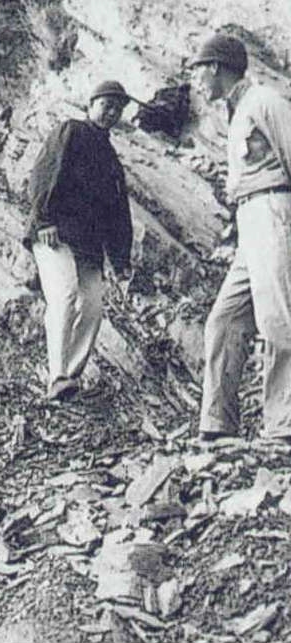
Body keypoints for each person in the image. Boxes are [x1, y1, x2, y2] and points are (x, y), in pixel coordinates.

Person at [189, 34, 291, 441]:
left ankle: (284, 422)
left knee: (279, 317)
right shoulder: (237, 112)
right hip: (251, 220)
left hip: (274, 211)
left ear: (215, 67)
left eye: (198, 71)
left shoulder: (266, 102)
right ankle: (218, 424)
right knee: (224, 320)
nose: (196, 81)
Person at [24, 80, 135, 401]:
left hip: (89, 244)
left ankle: (70, 378)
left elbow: (118, 212)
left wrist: (120, 259)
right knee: (65, 295)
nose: (111, 112)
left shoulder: (111, 159)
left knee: (93, 306)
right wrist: (44, 219)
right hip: (55, 233)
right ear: (91, 104)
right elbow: (43, 173)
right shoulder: (71, 131)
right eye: (106, 105)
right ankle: (57, 375)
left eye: (117, 108)